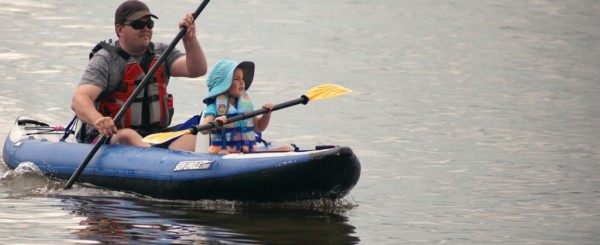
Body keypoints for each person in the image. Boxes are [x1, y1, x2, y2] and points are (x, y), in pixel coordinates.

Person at [71, 0, 207, 151]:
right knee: (128, 136)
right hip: (111, 137)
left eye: (149, 24)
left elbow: (196, 69)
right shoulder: (106, 60)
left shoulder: (161, 53)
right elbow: (79, 99)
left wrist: (189, 40)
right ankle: (157, 161)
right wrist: (98, 120)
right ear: (120, 29)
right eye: (138, 25)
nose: (145, 29)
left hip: (154, 137)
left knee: (201, 129)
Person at [200, 59, 291, 154]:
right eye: (236, 79)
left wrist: (267, 114)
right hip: (223, 153)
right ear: (223, 85)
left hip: (248, 152)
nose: (242, 82)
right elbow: (203, 128)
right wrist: (215, 123)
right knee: (224, 153)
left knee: (286, 148)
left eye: (242, 78)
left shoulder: (245, 105)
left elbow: (259, 126)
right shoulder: (214, 106)